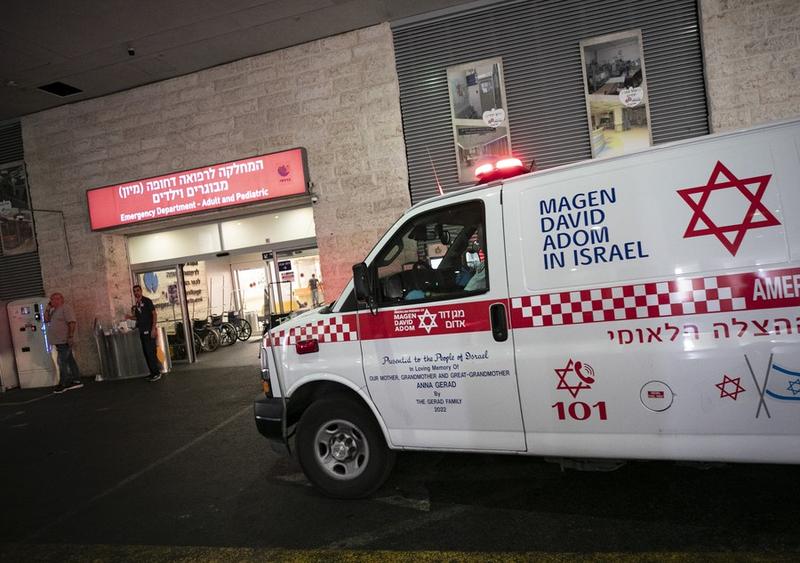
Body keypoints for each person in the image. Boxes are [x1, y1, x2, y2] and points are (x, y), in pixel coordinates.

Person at [44, 292, 83, 393]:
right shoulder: (54, 311)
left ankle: (63, 383)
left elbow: (72, 322)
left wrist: (70, 336)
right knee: (69, 359)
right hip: (59, 341)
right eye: (51, 299)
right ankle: (77, 380)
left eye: (54, 299)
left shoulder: (66, 308)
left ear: (60, 299)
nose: (51, 301)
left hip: (64, 340)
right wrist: (47, 309)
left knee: (62, 361)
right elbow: (46, 320)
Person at [126, 284, 161, 382]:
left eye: (138, 290)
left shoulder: (147, 301)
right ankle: (152, 373)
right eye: (134, 291)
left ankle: (157, 373)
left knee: (151, 353)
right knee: (146, 353)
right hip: (142, 331)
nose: (136, 292)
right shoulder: (137, 304)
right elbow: (138, 317)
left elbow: (154, 314)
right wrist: (129, 317)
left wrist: (153, 329)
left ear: (141, 291)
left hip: (149, 331)